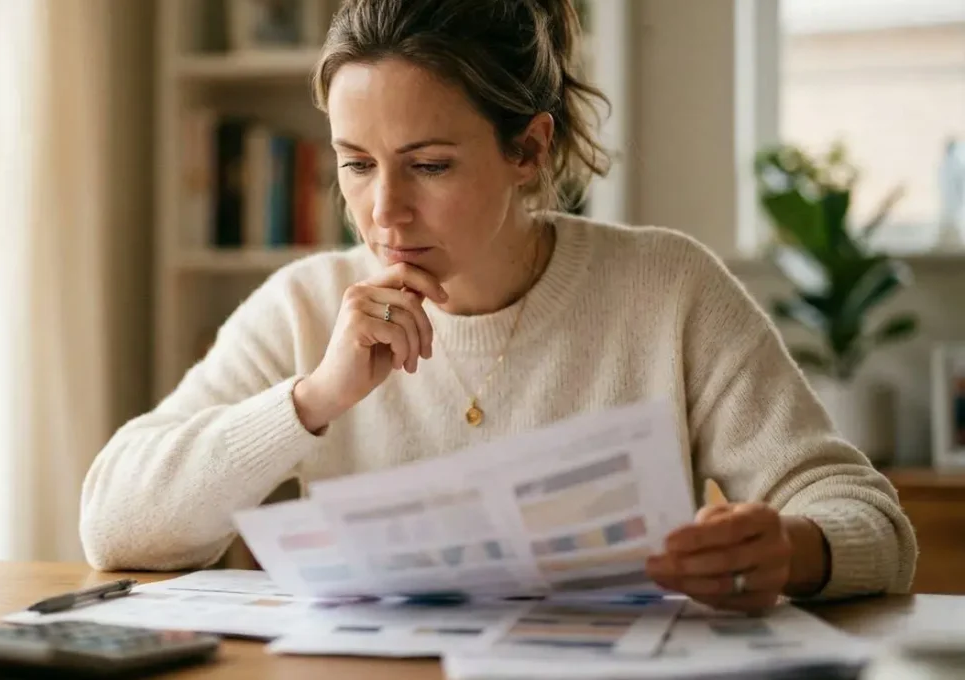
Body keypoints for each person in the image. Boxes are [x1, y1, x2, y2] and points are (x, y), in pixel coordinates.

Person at [80, 0, 916, 613]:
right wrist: (312, 401)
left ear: (529, 147)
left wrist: (791, 550)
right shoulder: (305, 305)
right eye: (356, 164)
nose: (384, 213)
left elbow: (869, 519)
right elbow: (114, 525)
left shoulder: (667, 288)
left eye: (429, 165)